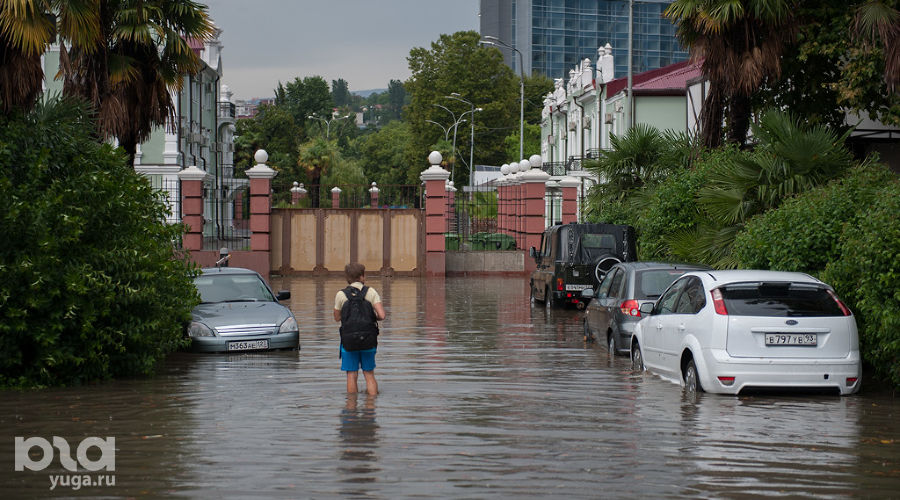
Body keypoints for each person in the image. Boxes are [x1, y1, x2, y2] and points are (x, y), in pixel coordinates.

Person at [334, 263, 386, 395]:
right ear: (362, 276)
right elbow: (382, 315)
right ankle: (371, 404)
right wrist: (371, 317)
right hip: (368, 339)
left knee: (351, 374)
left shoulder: (341, 294)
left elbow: (337, 318)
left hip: (349, 341)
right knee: (369, 374)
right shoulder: (371, 292)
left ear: (347, 277)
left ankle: (351, 405)